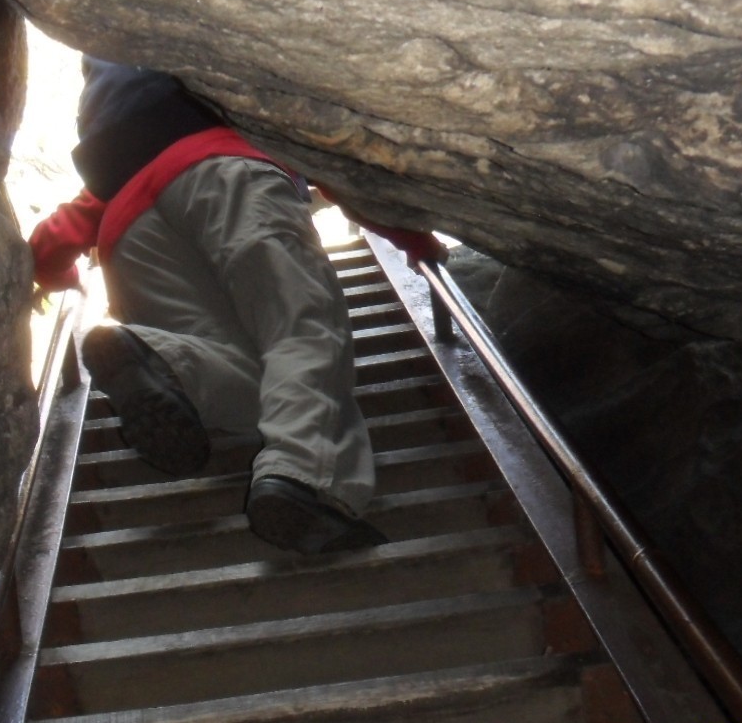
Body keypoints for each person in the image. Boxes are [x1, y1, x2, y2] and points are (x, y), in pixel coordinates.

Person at [29, 57, 445, 555]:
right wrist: (413, 239)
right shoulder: (235, 106)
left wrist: (58, 273)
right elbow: (332, 168)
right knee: (301, 329)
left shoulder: (119, 150)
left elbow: (56, 238)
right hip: (230, 174)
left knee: (264, 389)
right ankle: (305, 478)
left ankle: (165, 360)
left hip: (127, 228)